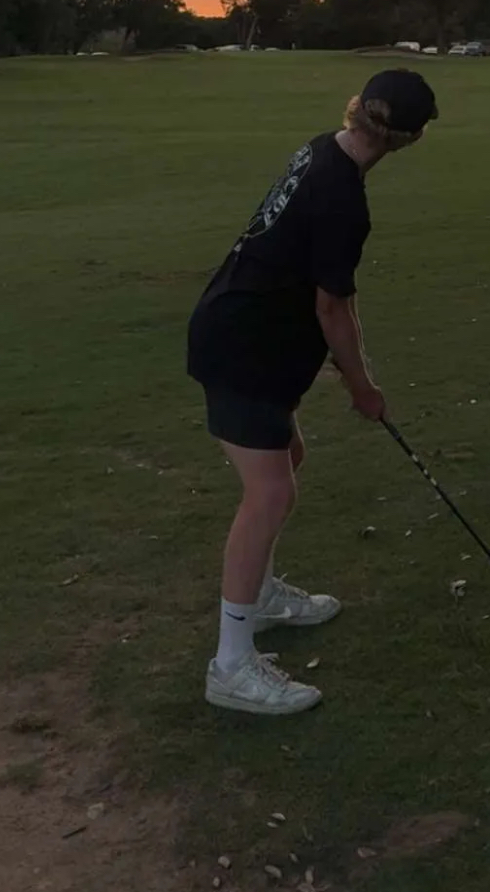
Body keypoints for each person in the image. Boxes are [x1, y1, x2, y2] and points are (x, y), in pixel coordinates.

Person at [187, 67, 438, 716]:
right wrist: (364, 387)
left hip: (247, 336)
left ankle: (262, 598)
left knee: (285, 464)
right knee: (269, 492)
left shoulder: (322, 148)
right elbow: (334, 310)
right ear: (408, 139)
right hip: (242, 345)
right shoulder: (343, 199)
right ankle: (231, 666)